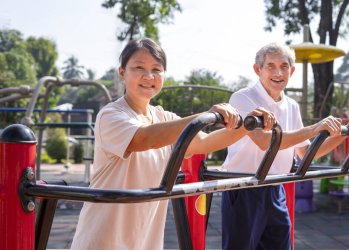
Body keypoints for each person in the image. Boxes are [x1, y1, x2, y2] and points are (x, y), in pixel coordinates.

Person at [70, 38, 276, 250]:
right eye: (139, 68)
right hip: (104, 239)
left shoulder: (163, 117)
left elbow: (204, 142)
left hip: (145, 239)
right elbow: (145, 138)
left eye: (156, 70)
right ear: (122, 72)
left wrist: (248, 126)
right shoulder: (111, 115)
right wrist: (207, 115)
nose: (148, 76)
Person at [221, 43, 349, 250]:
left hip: (274, 188)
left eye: (283, 66)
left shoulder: (291, 105)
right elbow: (265, 142)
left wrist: (344, 134)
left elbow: (306, 153)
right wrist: (314, 128)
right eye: (270, 66)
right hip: (244, 187)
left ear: (291, 71)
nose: (278, 72)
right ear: (257, 70)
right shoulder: (242, 98)